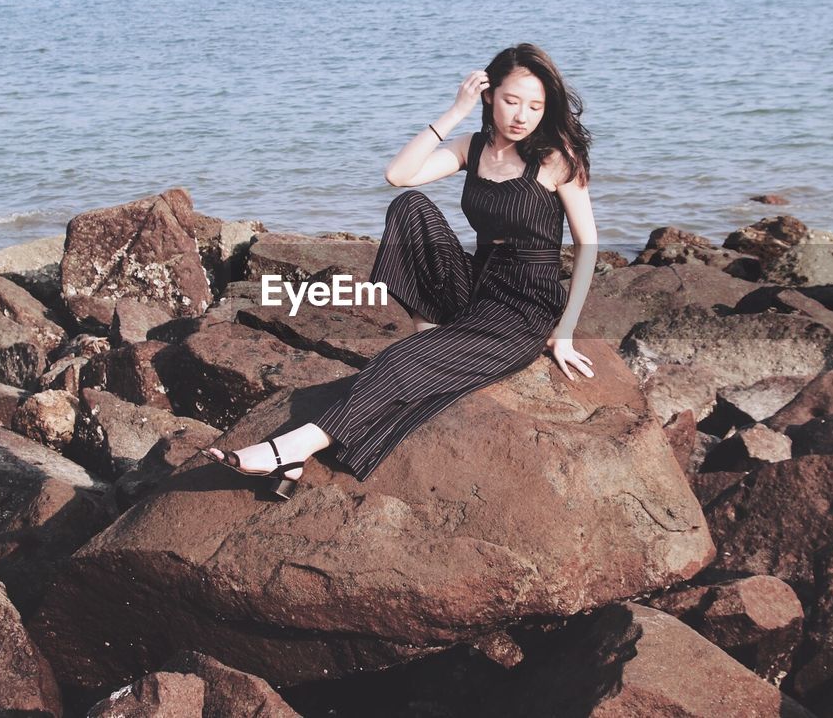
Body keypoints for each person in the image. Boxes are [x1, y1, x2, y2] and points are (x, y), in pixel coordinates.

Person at [205, 43, 598, 498]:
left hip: (524, 303)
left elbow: (587, 245)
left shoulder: (555, 156)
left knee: (398, 362)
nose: (522, 115)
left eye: (535, 105)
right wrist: (454, 112)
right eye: (512, 101)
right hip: (477, 282)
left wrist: (564, 331)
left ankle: (290, 449)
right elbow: (399, 175)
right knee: (409, 207)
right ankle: (429, 329)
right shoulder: (474, 146)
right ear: (489, 96)